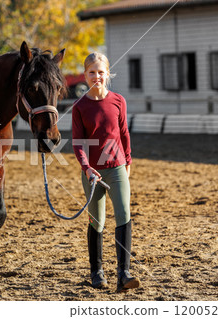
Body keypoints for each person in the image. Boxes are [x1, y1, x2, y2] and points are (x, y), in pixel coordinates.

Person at [72, 52, 140, 292]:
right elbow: (78, 143)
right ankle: (97, 272)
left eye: (101, 72)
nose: (97, 76)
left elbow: (124, 133)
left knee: (124, 216)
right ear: (85, 75)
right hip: (92, 173)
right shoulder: (79, 107)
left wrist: (128, 160)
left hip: (117, 168)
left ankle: (124, 273)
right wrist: (87, 167)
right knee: (96, 221)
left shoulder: (119, 100)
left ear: (107, 74)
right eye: (92, 72)